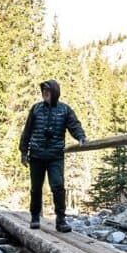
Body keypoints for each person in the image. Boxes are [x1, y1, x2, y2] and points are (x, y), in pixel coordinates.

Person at [19, 79, 87, 232]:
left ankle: (61, 220)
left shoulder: (65, 110)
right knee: (36, 188)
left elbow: (74, 125)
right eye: (43, 91)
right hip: (36, 155)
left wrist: (81, 137)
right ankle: (35, 217)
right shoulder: (36, 109)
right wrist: (23, 152)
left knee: (58, 186)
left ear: (55, 93)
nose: (45, 94)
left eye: (48, 91)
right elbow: (27, 131)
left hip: (55, 156)